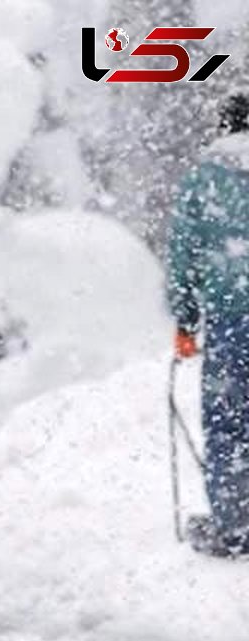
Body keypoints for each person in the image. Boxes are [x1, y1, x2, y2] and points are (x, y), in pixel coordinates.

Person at [168, 92, 249, 557]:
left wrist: (185, 320)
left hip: (231, 322)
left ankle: (236, 528)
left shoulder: (204, 182)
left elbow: (185, 255)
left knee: (229, 422)